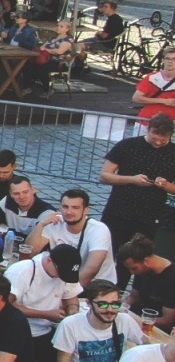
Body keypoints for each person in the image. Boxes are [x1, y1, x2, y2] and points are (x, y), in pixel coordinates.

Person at [100, 111, 175, 254]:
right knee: (107, 252)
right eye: (155, 137)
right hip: (118, 210)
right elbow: (104, 175)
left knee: (138, 257)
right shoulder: (127, 145)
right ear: (148, 129)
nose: (158, 142)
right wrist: (131, 179)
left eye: (164, 140)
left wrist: (166, 185)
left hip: (150, 216)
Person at [28, 188, 115, 287]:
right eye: (65, 207)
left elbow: (91, 269)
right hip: (61, 280)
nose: (69, 212)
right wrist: (41, 225)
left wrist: (67, 292)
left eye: (75, 207)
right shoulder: (54, 222)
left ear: (86, 210)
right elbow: (30, 253)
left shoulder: (98, 230)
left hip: (97, 285)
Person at [122, 234, 175, 330]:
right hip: (135, 319)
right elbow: (133, 297)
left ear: (146, 261)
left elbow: (167, 320)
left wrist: (137, 320)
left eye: (134, 268)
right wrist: (121, 308)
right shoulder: (141, 271)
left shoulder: (171, 278)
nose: (132, 272)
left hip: (157, 328)